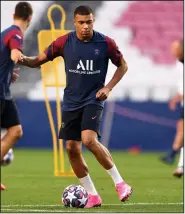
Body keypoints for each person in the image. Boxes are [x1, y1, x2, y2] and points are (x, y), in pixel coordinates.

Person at [19, 5, 132, 208]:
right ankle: (93, 195)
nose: (86, 26)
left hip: (93, 99)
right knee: (71, 148)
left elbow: (123, 65)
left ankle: (120, 183)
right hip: (71, 102)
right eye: (81, 23)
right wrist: (23, 60)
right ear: (74, 23)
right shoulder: (64, 42)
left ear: (93, 21)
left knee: (88, 140)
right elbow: (38, 61)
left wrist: (108, 87)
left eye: (89, 22)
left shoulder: (106, 43)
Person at [0, 2, 33, 190]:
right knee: (14, 131)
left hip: (4, 92)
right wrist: (33, 61)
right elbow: (15, 55)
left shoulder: (4, 33)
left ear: (14, 14)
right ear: (29, 18)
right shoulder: (16, 33)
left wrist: (7, 73)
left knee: (16, 131)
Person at [160, 40, 184, 166]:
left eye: (175, 47)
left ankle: (173, 154)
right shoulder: (179, 63)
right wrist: (177, 97)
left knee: (182, 128)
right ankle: (173, 154)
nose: (172, 50)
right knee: (181, 128)